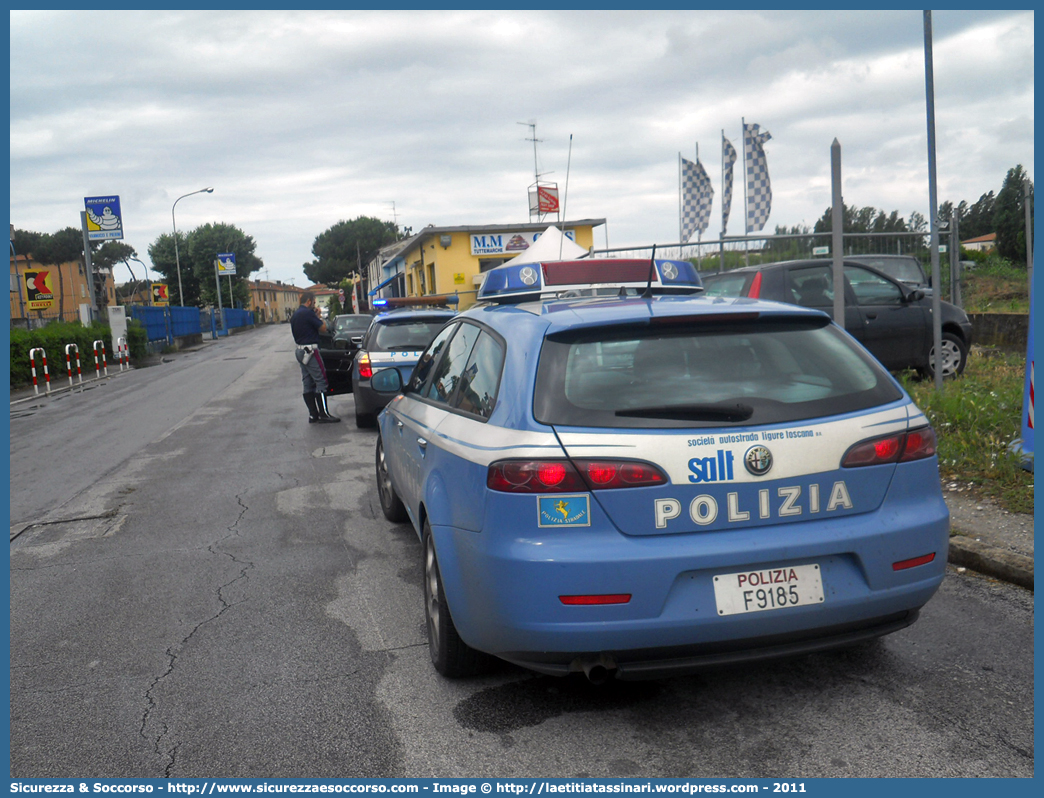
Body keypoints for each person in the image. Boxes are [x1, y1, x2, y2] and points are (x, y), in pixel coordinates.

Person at [291, 291, 340, 423]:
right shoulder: (308, 313)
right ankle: (324, 413)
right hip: (311, 350)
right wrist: (318, 316)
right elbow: (323, 328)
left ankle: (313, 414)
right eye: (313, 302)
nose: (314, 304)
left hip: (300, 351)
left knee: (307, 382)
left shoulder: (295, 314)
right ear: (309, 301)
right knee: (321, 381)